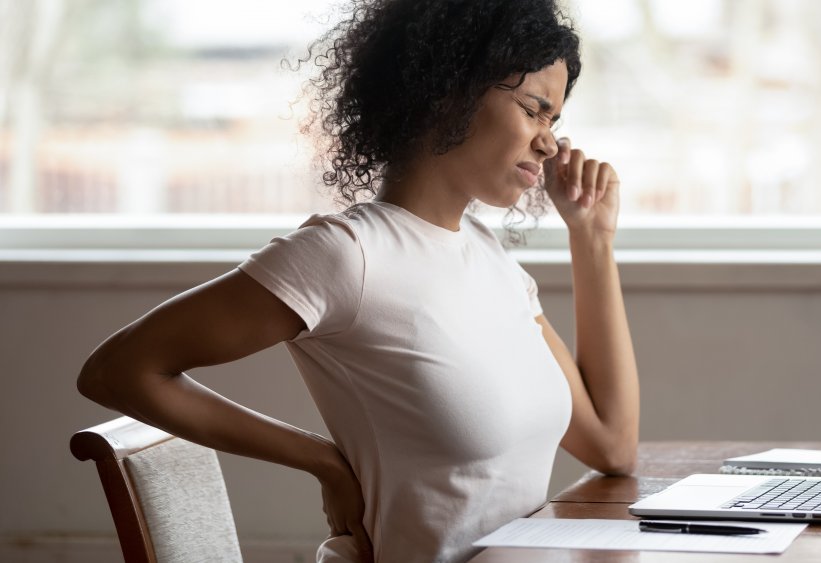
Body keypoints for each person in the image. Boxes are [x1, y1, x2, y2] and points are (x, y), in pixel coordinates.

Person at [76, 0, 639, 561]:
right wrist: (320, 459)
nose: (550, 142)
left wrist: (591, 237)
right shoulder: (346, 256)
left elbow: (612, 446)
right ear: (449, 90)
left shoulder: (490, 259)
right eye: (533, 109)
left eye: (554, 121)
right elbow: (117, 371)